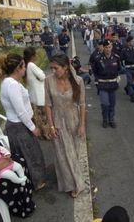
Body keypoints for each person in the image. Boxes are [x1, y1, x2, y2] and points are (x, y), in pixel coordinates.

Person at [0, 53, 46, 191]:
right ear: (18, 68)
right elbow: (20, 111)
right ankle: (36, 183)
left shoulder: (8, 82)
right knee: (31, 155)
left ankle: (29, 181)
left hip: (15, 125)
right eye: (23, 66)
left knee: (24, 154)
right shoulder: (12, 86)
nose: (25, 69)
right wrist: (33, 128)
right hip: (19, 126)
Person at [44, 54, 86, 198]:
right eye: (52, 68)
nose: (53, 71)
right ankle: (72, 184)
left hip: (73, 120)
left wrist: (82, 125)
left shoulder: (78, 81)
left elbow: (82, 104)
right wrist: (51, 126)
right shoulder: (48, 81)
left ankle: (76, 182)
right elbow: (48, 105)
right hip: (57, 122)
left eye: (56, 68)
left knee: (73, 154)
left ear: (65, 67)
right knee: (62, 155)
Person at [94, 40, 121, 128]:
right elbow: (95, 71)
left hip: (113, 84)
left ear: (112, 47)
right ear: (103, 48)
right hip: (103, 84)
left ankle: (111, 120)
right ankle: (105, 119)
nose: (108, 49)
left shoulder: (116, 57)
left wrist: (117, 78)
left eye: (109, 47)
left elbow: (118, 69)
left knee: (112, 104)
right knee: (105, 104)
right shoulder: (98, 59)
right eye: (106, 47)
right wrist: (97, 82)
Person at [24, 47, 50, 140]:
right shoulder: (31, 65)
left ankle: (42, 135)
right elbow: (42, 76)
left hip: (33, 95)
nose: (37, 56)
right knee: (43, 117)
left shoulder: (26, 65)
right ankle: (46, 135)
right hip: (39, 96)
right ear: (32, 56)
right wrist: (42, 73)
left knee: (38, 117)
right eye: (35, 54)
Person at [121, 36, 134, 103]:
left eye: (133, 41)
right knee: (130, 81)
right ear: (128, 42)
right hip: (128, 68)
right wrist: (122, 66)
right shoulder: (124, 50)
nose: (133, 42)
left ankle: (127, 88)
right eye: (132, 41)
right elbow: (121, 59)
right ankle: (132, 95)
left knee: (133, 81)